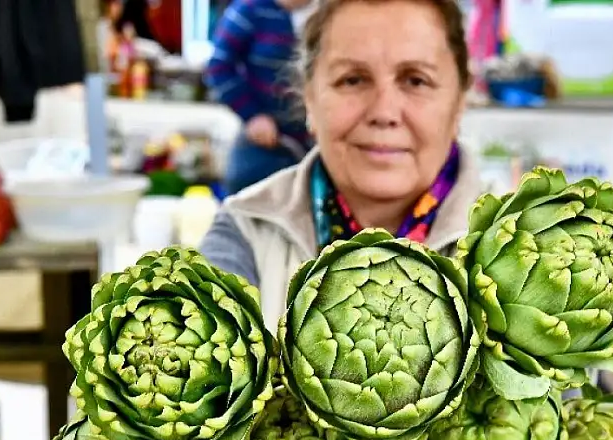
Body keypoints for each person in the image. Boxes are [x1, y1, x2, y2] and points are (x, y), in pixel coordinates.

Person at [199, 0, 481, 330]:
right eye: (352, 80)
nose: (384, 112)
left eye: (416, 80)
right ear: (309, 97)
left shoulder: (530, 247)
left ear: (460, 101)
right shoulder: (244, 232)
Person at [204, 0, 315, 196]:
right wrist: (253, 115)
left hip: (311, 146)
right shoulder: (249, 9)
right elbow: (218, 67)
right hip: (263, 143)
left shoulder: (325, 12)